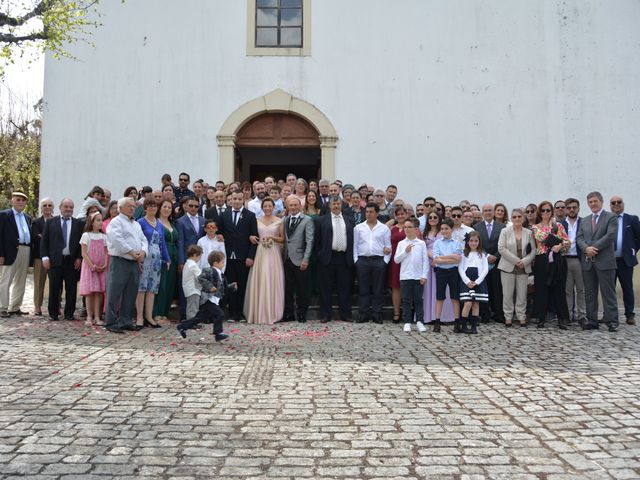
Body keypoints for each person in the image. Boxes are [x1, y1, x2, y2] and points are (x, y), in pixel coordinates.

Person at [576, 191, 619, 332]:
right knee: (590, 293)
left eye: (595, 201)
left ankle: (612, 321)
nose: (593, 204)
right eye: (590, 202)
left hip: (605, 261)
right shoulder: (585, 220)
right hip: (588, 262)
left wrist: (593, 248)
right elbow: (579, 238)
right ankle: (592, 320)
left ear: (601, 201)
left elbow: (610, 236)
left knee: (608, 293)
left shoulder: (611, 217)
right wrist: (586, 248)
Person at [104, 197, 148, 333]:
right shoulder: (115, 222)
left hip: (134, 262)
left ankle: (126, 320)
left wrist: (143, 252)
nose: (132, 208)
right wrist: (131, 251)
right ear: (120, 208)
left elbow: (144, 239)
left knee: (131, 292)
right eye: (129, 206)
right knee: (114, 291)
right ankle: (111, 321)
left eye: (133, 206)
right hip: (120, 260)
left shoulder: (136, 224)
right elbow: (117, 239)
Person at [217, 191, 259, 321]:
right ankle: (231, 312)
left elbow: (254, 237)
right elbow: (220, 234)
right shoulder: (224, 215)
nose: (236, 201)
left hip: (243, 256)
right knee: (230, 285)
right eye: (234, 198)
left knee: (242, 285)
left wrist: (251, 257)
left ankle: (239, 314)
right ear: (230, 200)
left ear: (243, 200)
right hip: (228, 256)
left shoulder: (250, 216)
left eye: (239, 199)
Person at [177, 251, 236, 342]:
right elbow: (201, 278)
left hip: (214, 300)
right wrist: (210, 287)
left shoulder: (221, 274)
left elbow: (223, 288)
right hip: (208, 300)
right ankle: (218, 334)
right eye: (222, 262)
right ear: (215, 263)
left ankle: (182, 327)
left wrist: (232, 287)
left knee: (200, 318)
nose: (223, 264)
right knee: (220, 314)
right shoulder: (209, 270)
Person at [244, 198, 285, 324]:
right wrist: (251, 237)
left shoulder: (279, 221)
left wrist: (272, 237)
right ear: (262, 208)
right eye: (265, 206)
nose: (267, 208)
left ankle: (273, 311)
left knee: (272, 278)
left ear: (273, 207)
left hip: (273, 252)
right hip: (260, 251)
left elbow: (282, 239)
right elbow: (251, 235)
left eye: (269, 206)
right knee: (260, 278)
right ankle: (258, 311)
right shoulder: (256, 220)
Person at [40, 198, 83, 321]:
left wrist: (79, 258)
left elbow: (81, 243)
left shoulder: (78, 224)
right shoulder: (50, 222)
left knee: (71, 288)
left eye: (71, 207)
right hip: (54, 260)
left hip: (71, 260)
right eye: (66, 207)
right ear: (60, 207)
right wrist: (45, 257)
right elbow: (44, 242)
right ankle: (53, 313)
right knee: (54, 287)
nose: (68, 209)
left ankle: (69, 313)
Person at [531, 200, 571, 329]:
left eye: (548, 210)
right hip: (542, 260)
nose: (546, 212)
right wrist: (558, 240)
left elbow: (567, 242)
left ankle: (562, 318)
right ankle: (541, 318)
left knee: (559, 289)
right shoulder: (535, 227)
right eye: (543, 210)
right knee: (542, 289)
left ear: (551, 211)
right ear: (540, 212)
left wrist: (560, 246)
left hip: (558, 259)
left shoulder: (559, 225)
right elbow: (543, 238)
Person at [315, 196, 355, 323]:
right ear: (329, 205)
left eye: (338, 203)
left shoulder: (349, 220)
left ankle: (345, 314)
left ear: (342, 205)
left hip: (344, 258)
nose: (336, 206)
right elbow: (317, 241)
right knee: (325, 288)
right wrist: (319, 255)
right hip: (327, 258)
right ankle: (325, 314)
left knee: (344, 288)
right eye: (334, 204)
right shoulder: (322, 220)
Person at [353, 202, 392, 324]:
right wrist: (356, 260)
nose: (368, 214)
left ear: (377, 213)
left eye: (371, 212)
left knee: (378, 289)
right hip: (363, 261)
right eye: (367, 212)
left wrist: (385, 262)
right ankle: (363, 314)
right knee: (363, 289)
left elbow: (388, 246)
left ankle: (377, 314)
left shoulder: (384, 228)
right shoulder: (358, 228)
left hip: (378, 261)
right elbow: (355, 245)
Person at [498, 208, 536, 327]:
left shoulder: (528, 232)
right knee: (507, 294)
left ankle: (521, 316)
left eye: (519, 216)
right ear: (511, 218)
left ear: (523, 218)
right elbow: (501, 248)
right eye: (514, 217)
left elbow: (534, 250)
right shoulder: (505, 231)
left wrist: (524, 261)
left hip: (523, 267)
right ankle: (508, 316)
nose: (517, 219)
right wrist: (516, 261)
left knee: (522, 294)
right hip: (508, 266)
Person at [136, 199, 170, 328]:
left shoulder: (159, 224)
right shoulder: (140, 223)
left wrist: (167, 259)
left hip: (157, 260)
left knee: (152, 289)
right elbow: (138, 241)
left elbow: (162, 243)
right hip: (145, 259)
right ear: (145, 208)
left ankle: (149, 317)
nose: (153, 208)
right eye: (150, 206)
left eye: (155, 206)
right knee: (141, 288)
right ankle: (139, 317)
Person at [282, 196, 315, 323]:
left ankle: (302, 313)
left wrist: (306, 259)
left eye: (295, 205)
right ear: (288, 207)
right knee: (288, 289)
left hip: (300, 259)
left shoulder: (307, 220)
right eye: (291, 205)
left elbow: (309, 241)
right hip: (287, 258)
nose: (293, 207)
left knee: (302, 289)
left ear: (300, 206)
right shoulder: (285, 219)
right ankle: (289, 313)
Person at [0, 191, 33, 317]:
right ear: (12, 201)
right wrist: (1, 254)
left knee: (21, 280)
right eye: (18, 199)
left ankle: (15, 306)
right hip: (10, 251)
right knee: (6, 280)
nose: (20, 202)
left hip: (25, 250)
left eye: (23, 200)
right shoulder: (4, 215)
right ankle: (2, 307)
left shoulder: (27, 217)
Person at [609, 195, 640, 325]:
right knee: (609, 289)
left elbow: (638, 237)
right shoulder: (607, 219)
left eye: (619, 202)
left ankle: (629, 315)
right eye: (613, 202)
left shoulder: (632, 219)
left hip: (625, 260)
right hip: (609, 261)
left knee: (627, 288)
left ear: (623, 204)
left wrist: (633, 250)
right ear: (610, 205)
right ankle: (610, 314)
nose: (616, 204)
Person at [394, 217, 428, 333]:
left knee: (418, 300)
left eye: (409, 227)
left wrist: (424, 275)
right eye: (405, 227)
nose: (407, 229)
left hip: (418, 276)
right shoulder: (401, 243)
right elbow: (396, 260)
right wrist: (405, 252)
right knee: (406, 300)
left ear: (415, 229)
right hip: (405, 276)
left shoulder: (421, 244)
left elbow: (425, 261)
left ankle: (419, 322)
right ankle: (407, 322)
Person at [474, 204, 506, 323]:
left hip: (498, 262)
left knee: (497, 290)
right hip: (482, 262)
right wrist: (486, 256)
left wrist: (495, 256)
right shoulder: (476, 227)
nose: (487, 212)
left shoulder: (502, 227)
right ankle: (485, 314)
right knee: (483, 289)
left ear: (493, 212)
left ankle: (498, 314)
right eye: (485, 210)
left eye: (490, 210)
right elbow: (475, 244)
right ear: (482, 213)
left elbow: (504, 244)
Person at [422, 212, 455, 325]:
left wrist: (438, 258)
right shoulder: (424, 233)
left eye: (435, 217)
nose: (432, 219)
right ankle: (430, 316)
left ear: (439, 218)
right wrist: (429, 254)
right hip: (429, 264)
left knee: (443, 291)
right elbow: (422, 248)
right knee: (428, 291)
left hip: (442, 263)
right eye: (430, 217)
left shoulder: (444, 232)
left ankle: (445, 317)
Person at [176, 196, 205, 319]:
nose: (193, 208)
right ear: (186, 206)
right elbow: (180, 242)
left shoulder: (203, 220)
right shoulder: (180, 221)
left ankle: (197, 315)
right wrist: (181, 261)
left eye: (196, 206)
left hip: (200, 259)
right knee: (187, 287)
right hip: (187, 260)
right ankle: (184, 314)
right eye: (191, 205)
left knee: (198, 287)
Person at [432, 218, 463, 332]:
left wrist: (442, 258)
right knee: (440, 297)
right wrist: (451, 257)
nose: (444, 231)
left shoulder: (456, 243)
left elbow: (458, 259)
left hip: (453, 272)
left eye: (446, 229)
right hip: (441, 272)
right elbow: (436, 259)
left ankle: (456, 322)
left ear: (451, 229)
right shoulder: (437, 243)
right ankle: (437, 322)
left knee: (455, 297)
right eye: (442, 229)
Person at [79, 212, 108, 326]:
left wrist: (104, 264)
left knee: (99, 293)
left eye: (101, 220)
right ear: (91, 222)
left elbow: (106, 252)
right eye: (98, 220)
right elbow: (84, 253)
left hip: (101, 268)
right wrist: (92, 266)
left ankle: (97, 316)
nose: (101, 222)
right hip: (90, 268)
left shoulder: (104, 237)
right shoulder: (86, 236)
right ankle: (89, 316)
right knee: (90, 293)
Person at [153, 199, 180, 321]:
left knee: (169, 285)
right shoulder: (156, 222)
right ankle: (156, 313)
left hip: (173, 257)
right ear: (160, 208)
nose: (167, 209)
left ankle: (164, 312)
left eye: (170, 207)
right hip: (161, 256)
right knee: (161, 285)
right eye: (165, 206)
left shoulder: (172, 224)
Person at [560, 198, 586, 324]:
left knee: (581, 289)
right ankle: (568, 315)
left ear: (578, 209)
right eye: (569, 207)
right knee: (567, 290)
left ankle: (582, 315)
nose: (571, 210)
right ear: (566, 209)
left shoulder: (585, 222)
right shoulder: (560, 224)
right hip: (565, 260)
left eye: (574, 207)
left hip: (580, 259)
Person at [458, 231, 489, 334]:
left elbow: (485, 269)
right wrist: (467, 281)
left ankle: (474, 326)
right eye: (471, 241)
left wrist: (477, 281)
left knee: (476, 304)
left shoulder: (482, 254)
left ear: (479, 242)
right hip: (467, 280)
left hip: (478, 281)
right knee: (467, 303)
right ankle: (463, 325)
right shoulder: (464, 254)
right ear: (467, 242)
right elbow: (460, 269)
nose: (473, 243)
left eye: (476, 241)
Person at [31, 197, 54, 316]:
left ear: (53, 208)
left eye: (50, 205)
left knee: (56, 284)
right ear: (41, 208)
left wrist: (43, 236)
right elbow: (36, 237)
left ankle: (56, 306)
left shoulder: (56, 221)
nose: (47, 207)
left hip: (54, 257)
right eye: (44, 205)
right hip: (39, 257)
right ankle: (37, 307)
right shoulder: (36, 222)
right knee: (39, 283)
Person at [386, 206, 408, 323]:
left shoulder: (410, 228)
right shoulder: (392, 229)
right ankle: (396, 313)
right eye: (398, 214)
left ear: (406, 214)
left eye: (402, 214)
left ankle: (406, 312)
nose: (400, 216)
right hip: (394, 260)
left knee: (407, 286)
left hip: (407, 260)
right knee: (395, 287)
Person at [182, 245, 203, 320]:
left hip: (190, 289)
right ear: (195, 255)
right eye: (199, 256)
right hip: (193, 289)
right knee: (193, 307)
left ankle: (193, 321)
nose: (199, 259)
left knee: (192, 306)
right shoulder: (193, 265)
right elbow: (200, 276)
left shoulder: (187, 263)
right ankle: (191, 322)